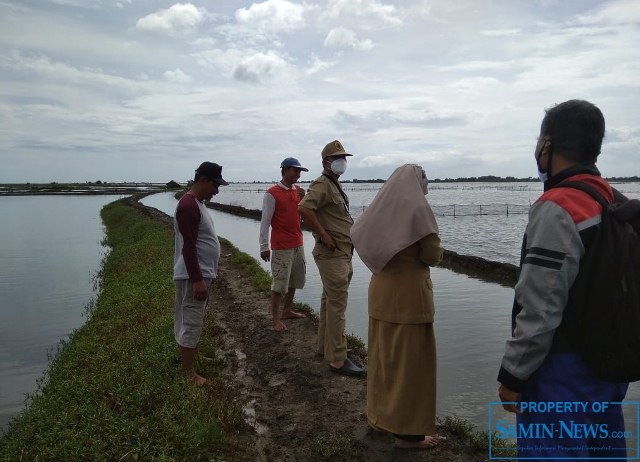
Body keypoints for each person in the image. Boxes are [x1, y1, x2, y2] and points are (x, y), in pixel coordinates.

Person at [497, 100, 629, 460]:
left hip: (562, 376)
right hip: (607, 371)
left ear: (547, 146)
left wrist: (512, 376)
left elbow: (540, 305)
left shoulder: (559, 207)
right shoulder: (612, 200)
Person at [351, 164, 444, 449]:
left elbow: (357, 235)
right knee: (410, 368)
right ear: (419, 182)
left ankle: (380, 418)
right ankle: (408, 435)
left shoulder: (379, 209)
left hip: (381, 295)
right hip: (409, 300)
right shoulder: (419, 209)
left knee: (383, 362)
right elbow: (431, 255)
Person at [298, 140, 364, 377]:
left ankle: (324, 349)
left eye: (344, 158)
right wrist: (323, 234)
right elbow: (304, 208)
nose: (342, 162)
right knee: (338, 305)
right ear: (326, 162)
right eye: (337, 158)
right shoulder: (322, 184)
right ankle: (337, 359)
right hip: (332, 254)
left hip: (341, 253)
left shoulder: (333, 185)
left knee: (329, 301)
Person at [173, 161, 228, 386]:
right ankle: (188, 374)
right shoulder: (188, 205)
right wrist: (197, 280)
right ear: (203, 180)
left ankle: (193, 355)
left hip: (200, 273)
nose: (217, 191)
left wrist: (212, 265)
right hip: (191, 276)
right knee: (191, 320)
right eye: (215, 185)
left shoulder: (196, 203)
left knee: (196, 317)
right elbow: (188, 246)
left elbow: (204, 241)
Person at [259, 157, 308, 332]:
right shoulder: (272, 193)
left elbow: (303, 215)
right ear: (285, 170)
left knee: (295, 279)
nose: (298, 175)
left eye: (300, 171)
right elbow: (265, 222)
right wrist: (264, 246)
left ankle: (287, 310)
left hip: (298, 242)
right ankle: (275, 319)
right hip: (281, 245)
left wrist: (305, 200)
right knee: (279, 283)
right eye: (295, 171)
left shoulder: (299, 191)